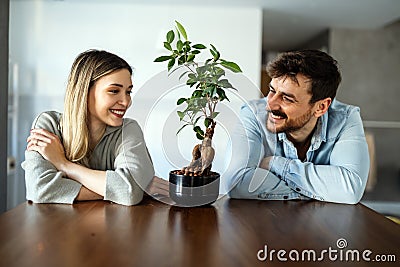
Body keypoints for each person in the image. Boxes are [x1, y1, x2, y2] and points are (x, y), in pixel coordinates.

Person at [22, 49, 169, 206]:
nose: (126, 102)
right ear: (85, 91)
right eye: (114, 91)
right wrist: (121, 190)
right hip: (60, 226)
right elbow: (39, 190)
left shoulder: (128, 130)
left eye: (128, 92)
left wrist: (64, 165)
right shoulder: (48, 125)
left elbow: (130, 191)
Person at [227, 49, 369, 204]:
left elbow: (350, 190)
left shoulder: (346, 119)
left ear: (321, 107)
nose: (270, 104)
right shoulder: (253, 114)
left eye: (287, 98)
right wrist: (321, 191)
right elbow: (237, 182)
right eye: (272, 90)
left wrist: (275, 164)